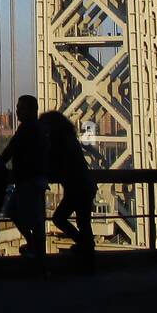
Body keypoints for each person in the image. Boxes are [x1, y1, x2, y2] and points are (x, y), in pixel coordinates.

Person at [40, 110, 97, 262]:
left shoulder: (59, 142)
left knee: (61, 218)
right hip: (84, 186)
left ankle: (85, 248)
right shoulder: (69, 139)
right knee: (83, 222)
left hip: (77, 188)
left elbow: (54, 164)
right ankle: (87, 251)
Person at [0, 95, 49, 259]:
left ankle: (36, 251)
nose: (17, 111)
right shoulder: (38, 128)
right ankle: (37, 250)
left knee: (16, 212)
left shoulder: (27, 128)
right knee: (34, 219)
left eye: (21, 108)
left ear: (31, 110)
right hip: (35, 180)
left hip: (28, 180)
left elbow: (10, 150)